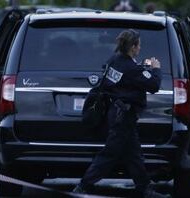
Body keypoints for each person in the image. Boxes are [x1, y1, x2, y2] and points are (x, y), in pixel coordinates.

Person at [73, 29, 170, 198]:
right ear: (133, 47)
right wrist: (155, 69)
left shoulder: (115, 60)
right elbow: (153, 85)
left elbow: (125, 78)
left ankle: (145, 189)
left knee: (134, 155)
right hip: (122, 117)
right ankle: (83, 185)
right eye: (139, 45)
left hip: (119, 114)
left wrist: (141, 67)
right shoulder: (131, 68)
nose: (140, 48)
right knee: (110, 154)